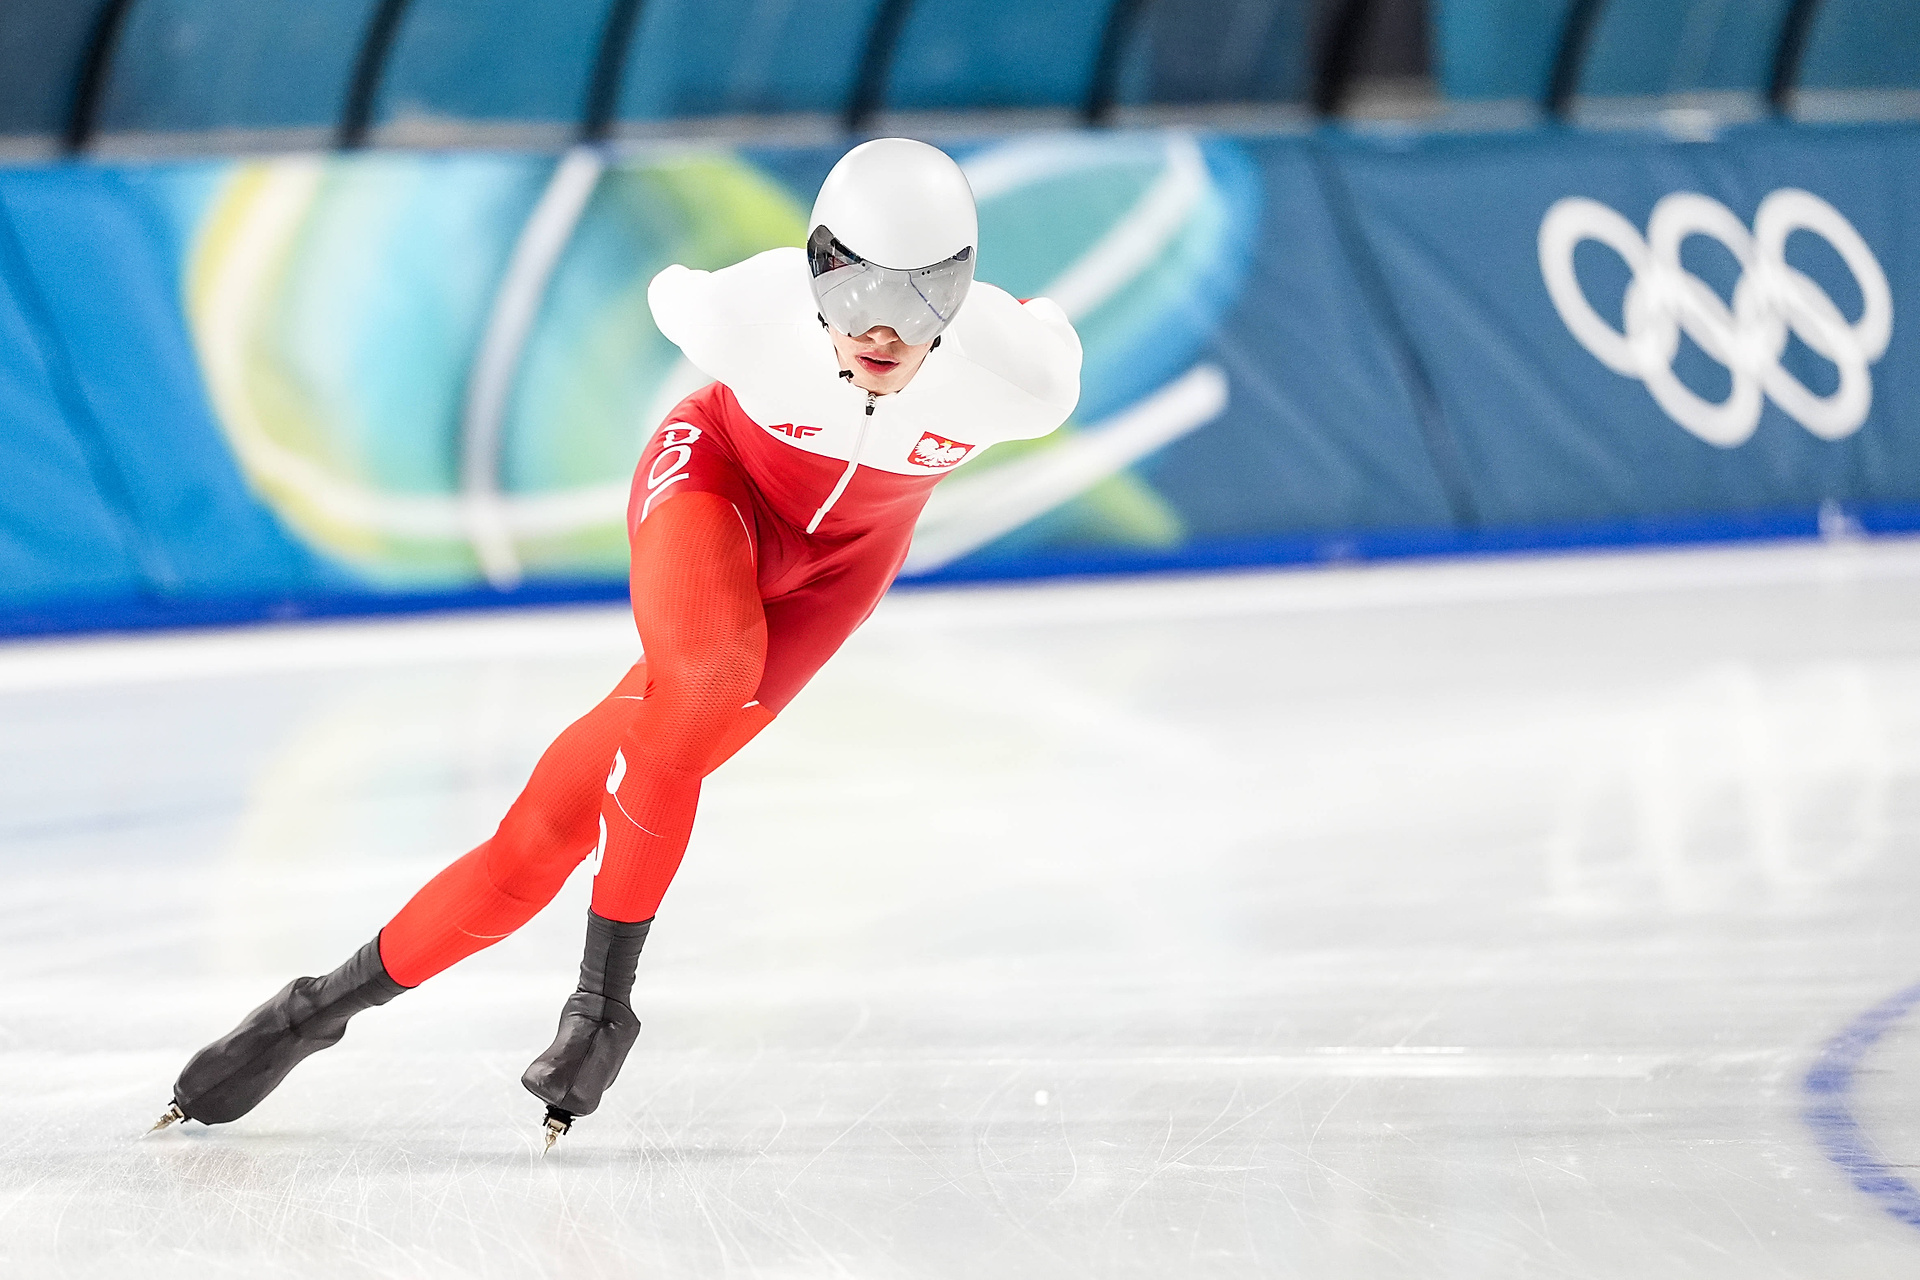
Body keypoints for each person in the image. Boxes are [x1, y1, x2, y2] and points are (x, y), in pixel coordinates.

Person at [151, 138, 1082, 1150]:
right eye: (854, 286)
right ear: (815, 266)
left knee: (540, 841)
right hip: (715, 484)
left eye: (925, 293)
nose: (884, 326)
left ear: (964, 291)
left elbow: (1044, 332)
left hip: (835, 576)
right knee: (710, 670)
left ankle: (308, 1012)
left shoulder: (1018, 377)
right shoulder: (748, 314)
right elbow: (670, 284)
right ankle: (603, 1005)